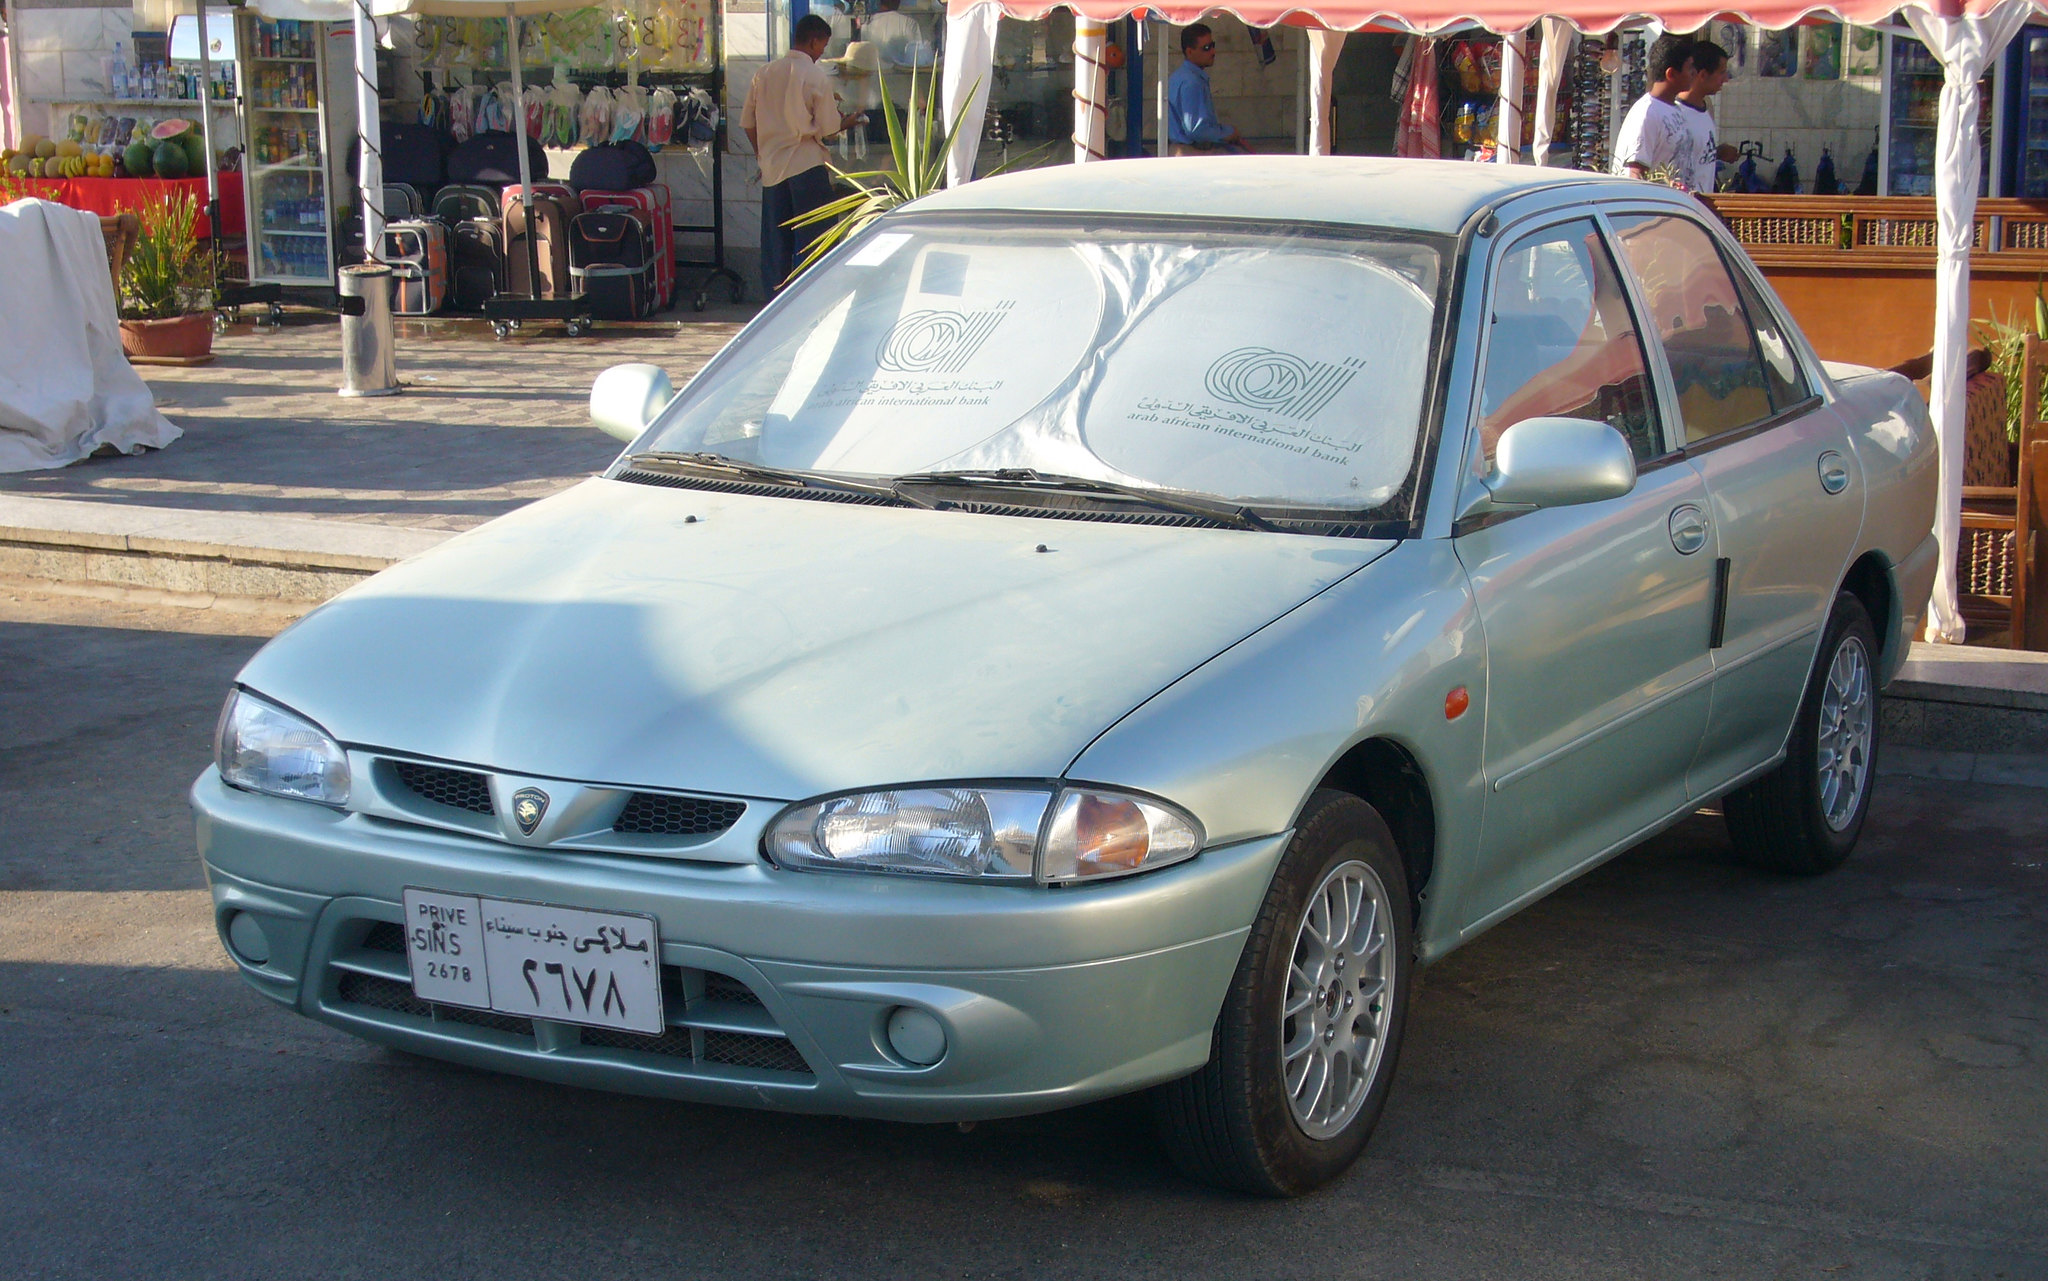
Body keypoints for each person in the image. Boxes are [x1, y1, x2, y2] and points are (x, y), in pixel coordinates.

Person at [741, 14, 864, 298]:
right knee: (816, 244)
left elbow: (748, 123)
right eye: (823, 44)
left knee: (775, 247)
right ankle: (814, 302)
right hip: (807, 168)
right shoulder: (814, 75)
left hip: (773, 170)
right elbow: (830, 128)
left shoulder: (764, 73)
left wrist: (762, 153)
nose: (823, 51)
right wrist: (848, 121)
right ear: (813, 41)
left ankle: (773, 308)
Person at [1610, 34, 1694, 185]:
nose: (1693, 74)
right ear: (1671, 74)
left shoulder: (1675, 109)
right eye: (1689, 69)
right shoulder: (1647, 113)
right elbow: (1635, 174)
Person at [1167, 24, 1251, 156]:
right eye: (1206, 48)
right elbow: (1196, 129)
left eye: (1213, 45)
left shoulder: (1179, 76)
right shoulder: (1192, 82)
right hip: (1193, 152)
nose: (1213, 52)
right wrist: (1228, 132)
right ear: (1189, 52)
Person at [1676, 39, 1738, 195]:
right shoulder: (1675, 114)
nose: (1726, 79)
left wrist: (1718, 152)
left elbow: (1695, 154)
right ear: (1703, 75)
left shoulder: (1706, 109)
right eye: (1722, 72)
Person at [860, 0, 923, 68]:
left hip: (875, 75)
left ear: (879, 2)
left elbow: (863, 59)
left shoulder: (866, 25)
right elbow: (919, 57)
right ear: (898, 2)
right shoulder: (910, 23)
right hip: (905, 76)